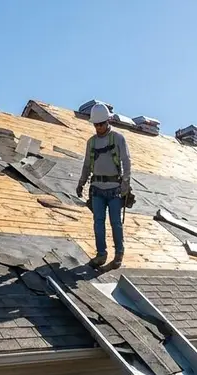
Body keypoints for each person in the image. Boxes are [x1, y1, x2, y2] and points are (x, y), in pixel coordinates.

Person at [76, 103, 132, 269]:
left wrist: (126, 182)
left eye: (101, 124)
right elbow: (87, 165)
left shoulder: (118, 138)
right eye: (96, 124)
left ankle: (118, 255)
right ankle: (101, 254)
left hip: (115, 189)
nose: (99, 127)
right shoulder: (91, 143)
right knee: (98, 222)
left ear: (107, 121)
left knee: (116, 222)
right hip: (97, 189)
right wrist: (81, 183)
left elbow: (126, 161)